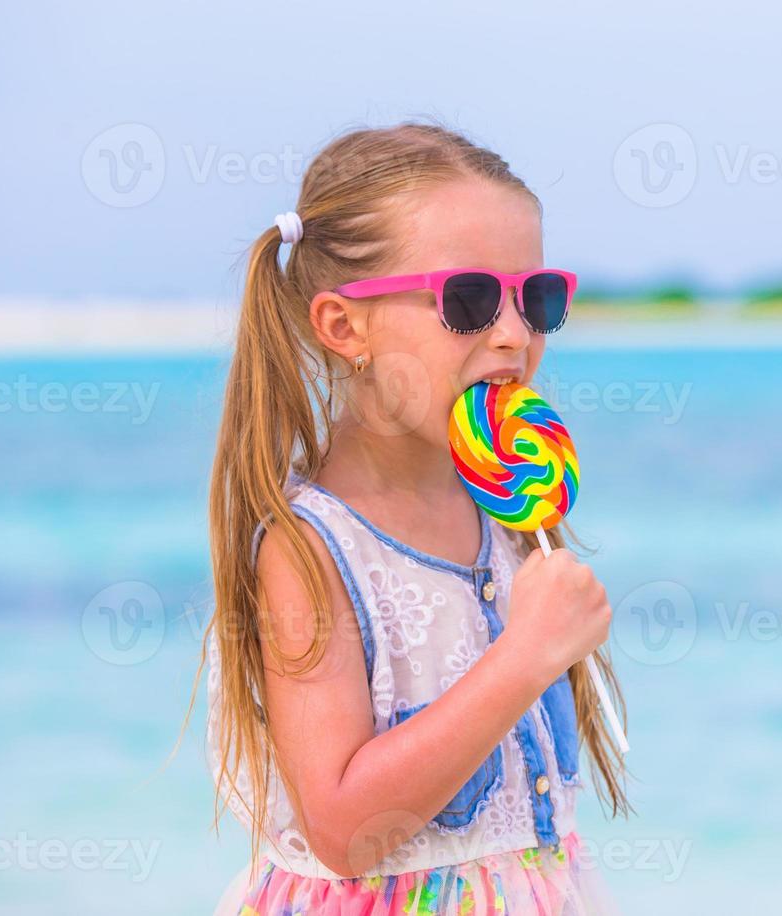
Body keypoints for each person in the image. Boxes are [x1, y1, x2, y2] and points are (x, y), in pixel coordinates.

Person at [202, 123, 628, 915]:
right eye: (466, 301)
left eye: (536, 298)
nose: (513, 333)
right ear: (343, 328)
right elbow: (344, 827)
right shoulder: (311, 547)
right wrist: (525, 657)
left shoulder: (504, 512)